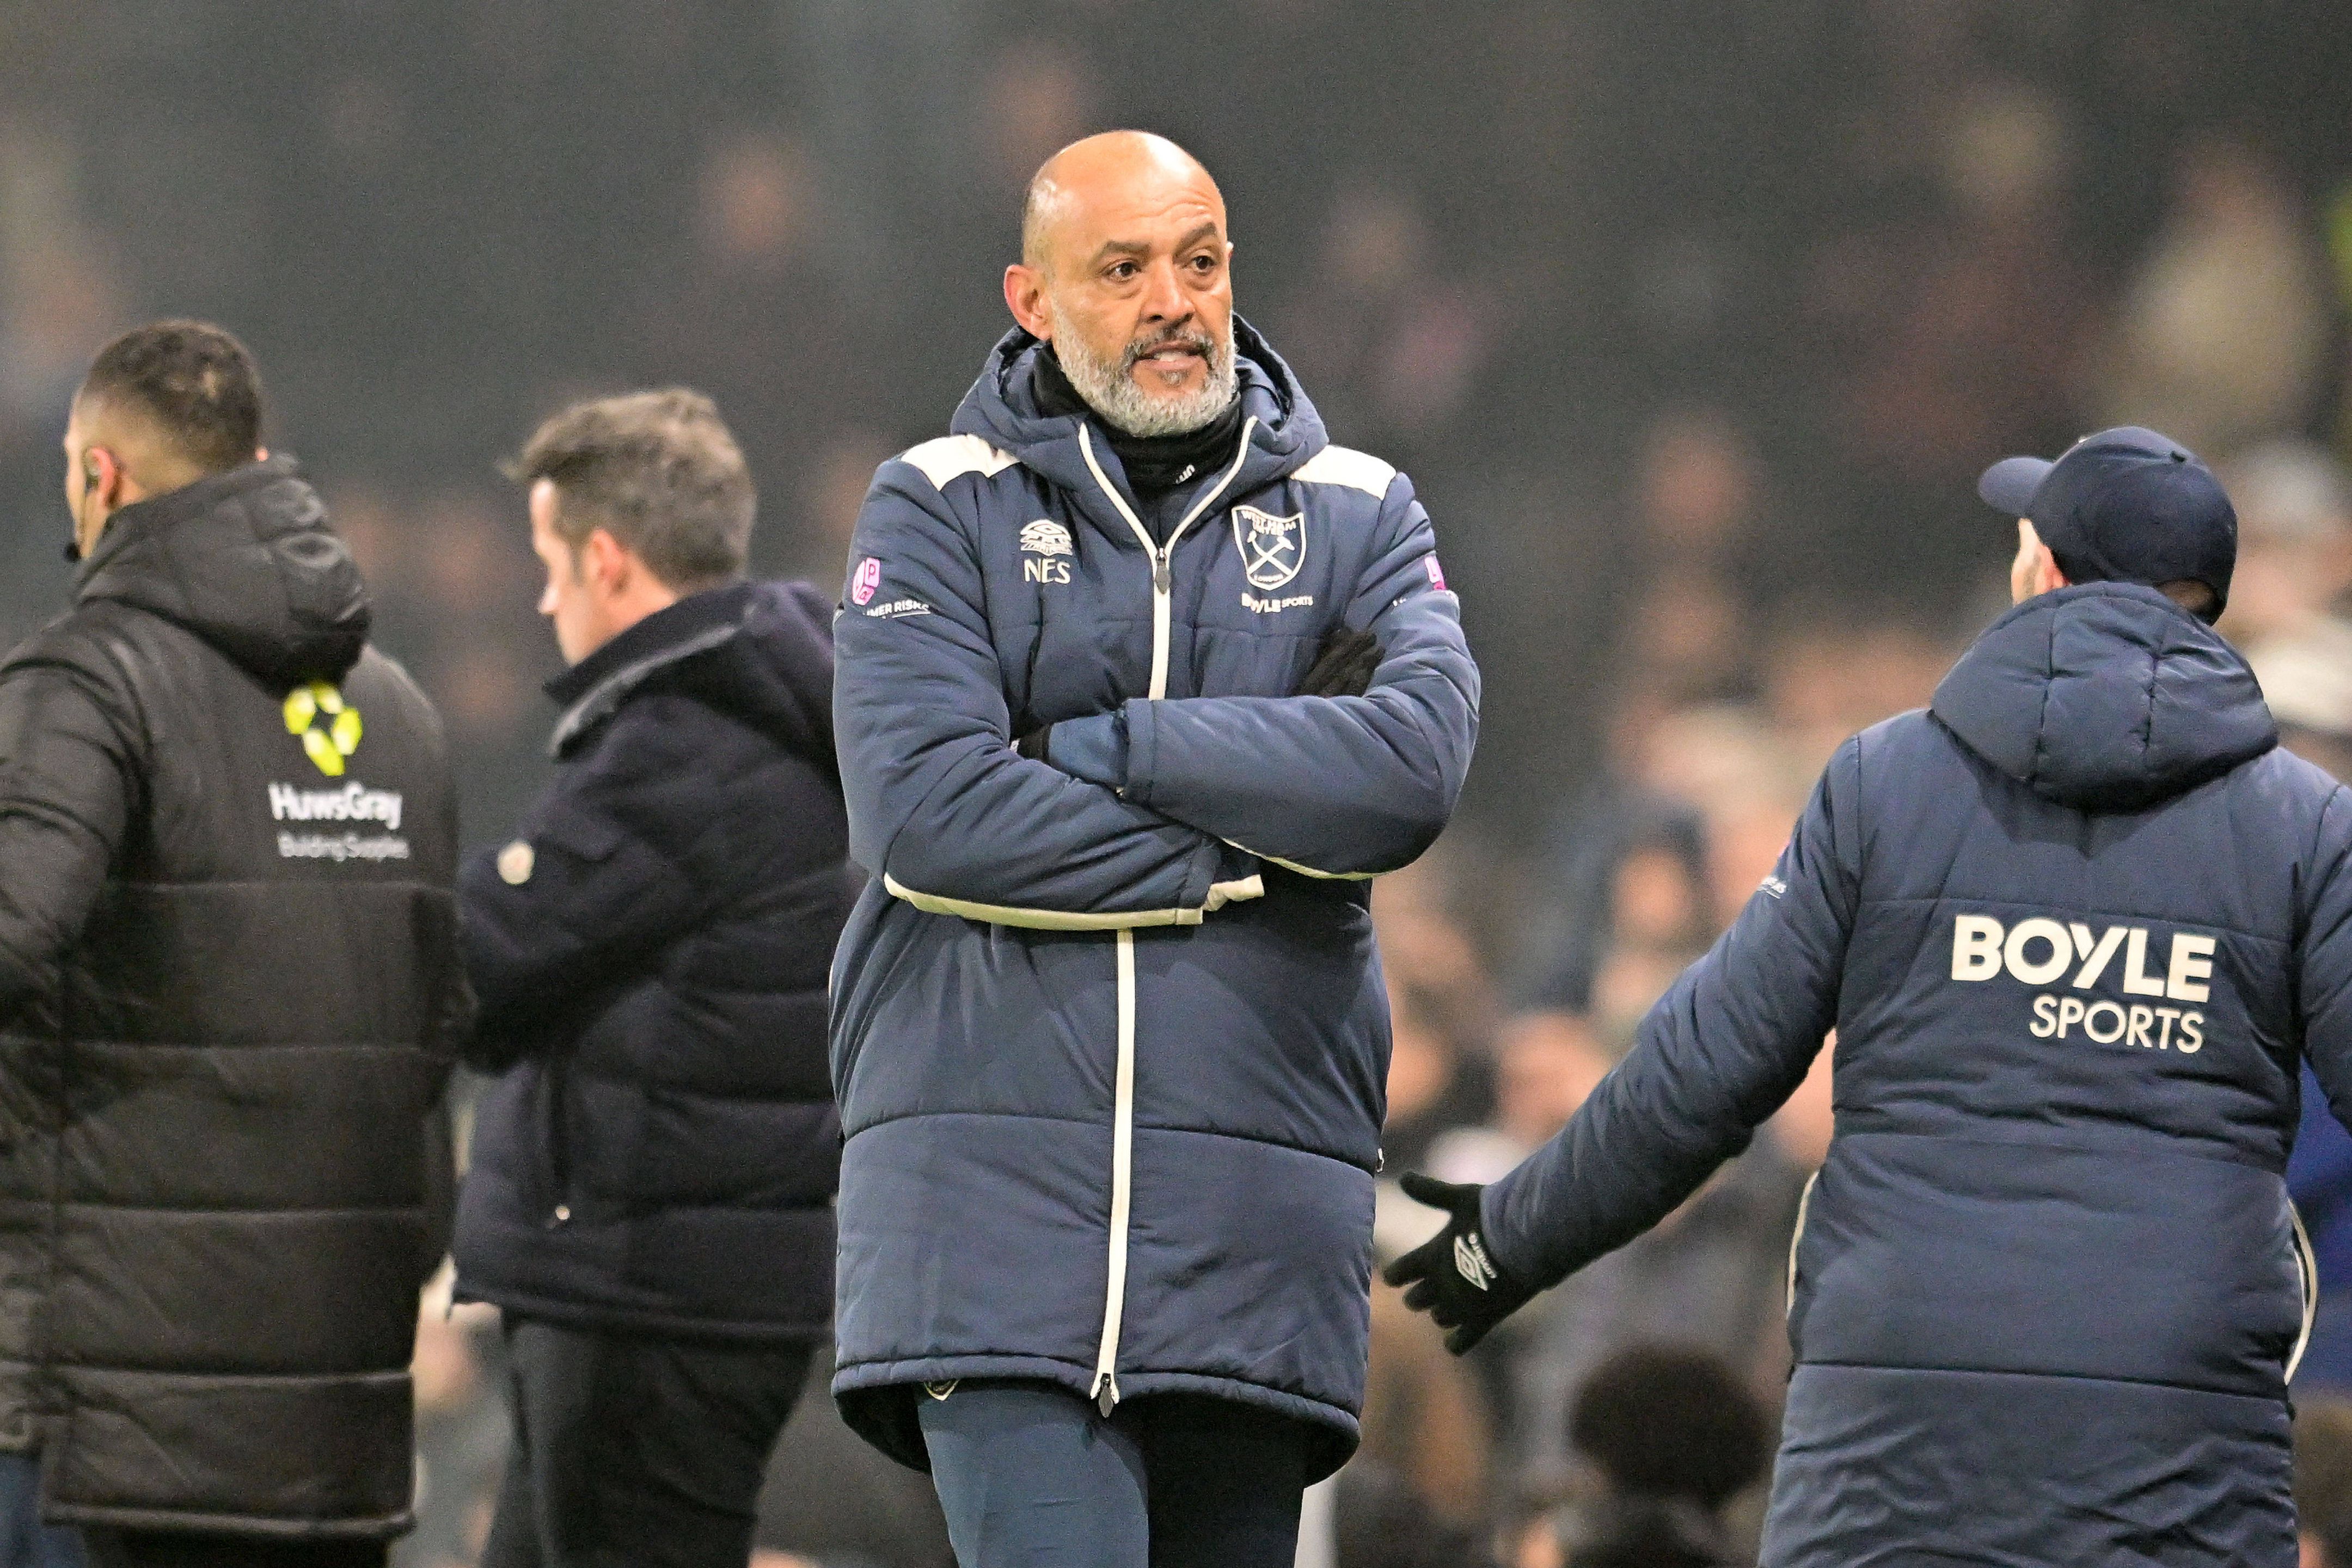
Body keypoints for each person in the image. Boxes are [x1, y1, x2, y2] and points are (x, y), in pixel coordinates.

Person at [1392, 426, 2352, 1565]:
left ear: (2042, 569)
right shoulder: (2308, 829)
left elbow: (1698, 1076)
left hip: (1894, 1441)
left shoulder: (1884, 785)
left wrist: (1503, 1241)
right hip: (2179, 1437)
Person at [828, 130, 1478, 1568]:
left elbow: (1411, 774)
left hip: (1258, 1235)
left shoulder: (1366, 511)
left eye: (1201, 261)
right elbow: (927, 818)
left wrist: (1104, 745)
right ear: (1033, 299)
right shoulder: (935, 502)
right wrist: (1245, 854)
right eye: (1121, 269)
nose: (1175, 299)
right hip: (992, 1240)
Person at [0, 320, 464, 1567]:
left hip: (108, 1433)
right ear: (260, 460)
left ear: (98, 477)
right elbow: (433, 1042)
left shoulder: (88, 684)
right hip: (336, 1424)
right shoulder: (400, 713)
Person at [451, 389, 850, 1568]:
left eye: (551, 564)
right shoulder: (748, 713)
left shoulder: (684, 744)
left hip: (647, 1293)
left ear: (609, 561)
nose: (545, 600)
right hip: (674, 1284)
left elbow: (485, 962)